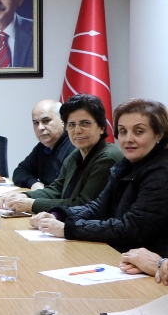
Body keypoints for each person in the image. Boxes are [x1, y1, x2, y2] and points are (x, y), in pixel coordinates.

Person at [30, 99, 168, 259]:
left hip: (148, 266)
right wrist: (58, 215)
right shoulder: (127, 164)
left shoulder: (162, 172)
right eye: (123, 131)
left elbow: (132, 228)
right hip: (122, 256)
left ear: (159, 134)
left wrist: (68, 228)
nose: (128, 139)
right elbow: (98, 208)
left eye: (138, 131)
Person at [0, 94, 122, 214]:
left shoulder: (107, 157)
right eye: (71, 125)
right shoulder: (76, 154)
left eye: (85, 123)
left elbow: (84, 204)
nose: (77, 130)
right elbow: (57, 189)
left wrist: (32, 204)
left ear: (102, 127)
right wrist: (24, 196)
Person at [12, 100, 75, 189]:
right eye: (36, 123)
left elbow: (67, 189)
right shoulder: (43, 147)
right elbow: (20, 171)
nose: (40, 127)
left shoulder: (74, 147)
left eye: (46, 121)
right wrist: (34, 183)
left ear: (63, 120)